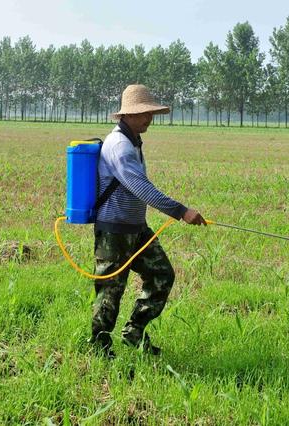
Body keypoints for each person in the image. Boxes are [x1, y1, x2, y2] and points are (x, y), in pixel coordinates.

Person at [89, 84, 206, 358]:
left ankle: (134, 332)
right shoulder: (119, 146)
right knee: (110, 291)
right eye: (143, 114)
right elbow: (140, 187)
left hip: (137, 229)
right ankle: (99, 349)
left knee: (162, 275)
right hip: (114, 231)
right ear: (127, 115)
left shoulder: (133, 142)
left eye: (151, 113)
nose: (149, 118)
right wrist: (181, 211)